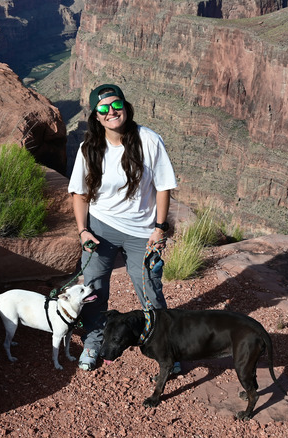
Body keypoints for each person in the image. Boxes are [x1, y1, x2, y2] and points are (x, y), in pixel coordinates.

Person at [67, 84, 178, 371]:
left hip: (143, 231)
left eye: (116, 105)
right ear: (96, 115)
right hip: (101, 227)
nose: (111, 111)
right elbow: (79, 194)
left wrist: (159, 228)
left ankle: (164, 349)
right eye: (103, 108)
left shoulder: (148, 140)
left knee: (149, 289)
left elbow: (164, 187)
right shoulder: (89, 148)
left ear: (126, 107)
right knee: (92, 289)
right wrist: (83, 230)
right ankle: (93, 343)